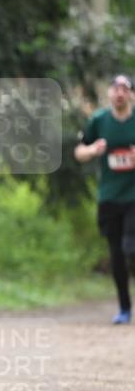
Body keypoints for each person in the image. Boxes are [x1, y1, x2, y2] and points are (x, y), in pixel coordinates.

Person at [75, 74, 135, 324]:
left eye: (125, 88)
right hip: (109, 196)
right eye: (115, 88)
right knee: (117, 256)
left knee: (130, 247)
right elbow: (79, 152)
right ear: (109, 93)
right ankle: (124, 308)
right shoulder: (99, 120)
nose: (119, 93)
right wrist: (92, 150)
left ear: (131, 94)